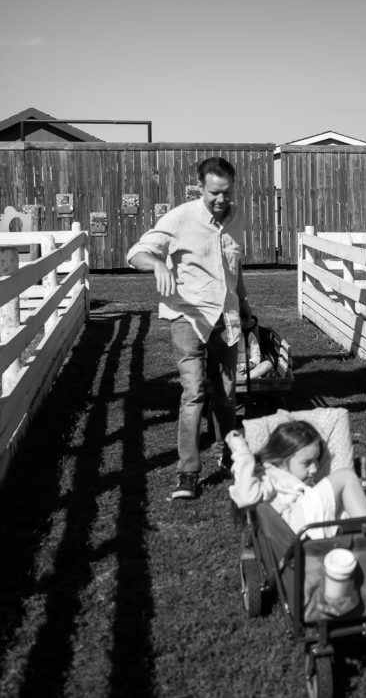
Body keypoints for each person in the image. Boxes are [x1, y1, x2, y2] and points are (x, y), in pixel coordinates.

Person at [128, 156, 253, 501]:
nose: (220, 200)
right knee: (194, 392)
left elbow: (234, 268)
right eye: (214, 193)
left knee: (227, 396)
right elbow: (136, 252)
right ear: (201, 187)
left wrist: (245, 306)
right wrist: (157, 265)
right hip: (187, 317)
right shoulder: (180, 218)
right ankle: (188, 473)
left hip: (225, 318)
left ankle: (232, 457)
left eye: (226, 192)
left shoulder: (238, 216)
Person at [224, 421, 366, 538]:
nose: (315, 469)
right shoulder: (268, 475)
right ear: (281, 460)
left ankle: (360, 536)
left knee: (344, 506)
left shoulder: (296, 480)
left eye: (317, 460)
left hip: (303, 524)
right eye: (306, 463)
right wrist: (242, 452)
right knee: (346, 476)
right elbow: (245, 496)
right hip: (293, 526)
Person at [236, 313, 275, 383]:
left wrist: (249, 365)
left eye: (242, 321)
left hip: (247, 369)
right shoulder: (224, 336)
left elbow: (256, 354)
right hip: (230, 369)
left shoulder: (249, 335)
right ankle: (244, 379)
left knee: (268, 364)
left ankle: (242, 379)